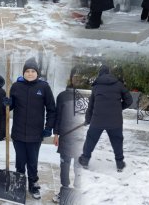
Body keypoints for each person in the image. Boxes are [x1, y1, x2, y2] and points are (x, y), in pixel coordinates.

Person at [4, 58, 56, 200]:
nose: (30, 73)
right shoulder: (16, 86)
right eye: (27, 71)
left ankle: (33, 184)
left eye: (33, 71)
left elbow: (52, 109)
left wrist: (48, 127)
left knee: (32, 161)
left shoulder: (44, 87)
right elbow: (11, 107)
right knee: (20, 161)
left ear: (37, 73)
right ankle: (19, 184)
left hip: (35, 133)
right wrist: (8, 103)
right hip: (18, 132)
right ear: (24, 72)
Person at [78, 65, 132, 171]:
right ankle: (120, 163)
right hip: (115, 121)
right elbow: (129, 101)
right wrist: (118, 108)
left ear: (100, 73)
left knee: (91, 139)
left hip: (97, 120)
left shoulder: (96, 86)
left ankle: (85, 159)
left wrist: (88, 120)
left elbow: (91, 106)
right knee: (117, 141)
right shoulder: (119, 84)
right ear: (109, 73)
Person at [52, 71, 82, 203]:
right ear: (70, 79)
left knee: (78, 166)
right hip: (65, 137)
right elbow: (57, 116)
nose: (77, 79)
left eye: (79, 77)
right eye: (75, 77)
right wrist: (56, 134)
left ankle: (77, 192)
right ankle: (64, 190)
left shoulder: (85, 97)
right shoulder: (62, 96)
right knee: (65, 166)